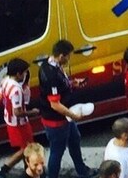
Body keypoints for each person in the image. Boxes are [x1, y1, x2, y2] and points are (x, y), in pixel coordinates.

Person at [36, 41, 91, 178]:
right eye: (68, 56)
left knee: (74, 140)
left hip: (64, 116)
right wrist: (73, 115)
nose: (69, 59)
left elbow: (61, 86)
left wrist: (72, 83)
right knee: (57, 151)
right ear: (61, 56)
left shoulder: (51, 66)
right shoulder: (51, 75)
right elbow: (55, 104)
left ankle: (82, 170)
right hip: (56, 120)